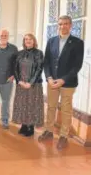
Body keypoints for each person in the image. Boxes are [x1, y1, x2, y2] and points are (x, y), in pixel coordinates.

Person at [38, 15, 84, 150]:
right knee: (51, 107)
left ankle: (64, 136)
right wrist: (49, 78)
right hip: (52, 82)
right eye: (60, 24)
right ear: (57, 26)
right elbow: (46, 62)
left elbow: (77, 65)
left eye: (65, 24)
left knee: (66, 109)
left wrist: (63, 79)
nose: (62, 26)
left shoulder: (77, 42)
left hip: (68, 83)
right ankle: (49, 131)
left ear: (70, 26)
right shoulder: (51, 41)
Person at [12, 33, 44, 137]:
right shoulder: (19, 53)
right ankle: (24, 125)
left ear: (34, 41)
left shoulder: (39, 53)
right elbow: (15, 68)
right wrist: (19, 81)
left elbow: (39, 69)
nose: (28, 41)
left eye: (30, 39)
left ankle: (30, 126)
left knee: (31, 105)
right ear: (24, 42)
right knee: (22, 104)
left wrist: (31, 83)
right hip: (21, 83)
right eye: (26, 39)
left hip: (33, 84)